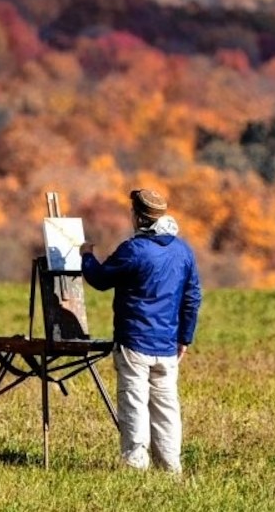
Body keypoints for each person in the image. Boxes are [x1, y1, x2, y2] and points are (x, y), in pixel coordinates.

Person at [80, 188, 201, 473]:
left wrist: (86, 256)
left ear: (138, 216)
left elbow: (99, 279)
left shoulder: (134, 250)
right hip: (167, 346)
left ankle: (135, 466)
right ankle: (170, 468)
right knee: (166, 408)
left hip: (134, 342)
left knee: (134, 403)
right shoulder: (183, 251)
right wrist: (185, 337)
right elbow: (193, 296)